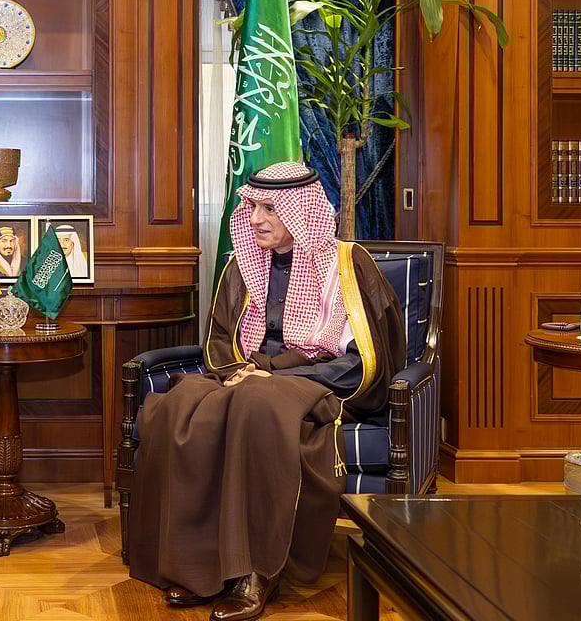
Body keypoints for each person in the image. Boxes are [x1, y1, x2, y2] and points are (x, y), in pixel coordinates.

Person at [128, 161, 405, 621]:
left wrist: (273, 375)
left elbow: (364, 359)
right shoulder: (243, 265)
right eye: (252, 207)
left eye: (269, 208)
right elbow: (220, 341)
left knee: (257, 404)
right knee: (181, 405)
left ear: (300, 211)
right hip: (247, 377)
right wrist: (242, 372)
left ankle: (254, 573)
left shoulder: (347, 266)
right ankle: (200, 569)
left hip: (317, 381)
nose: (255, 218)